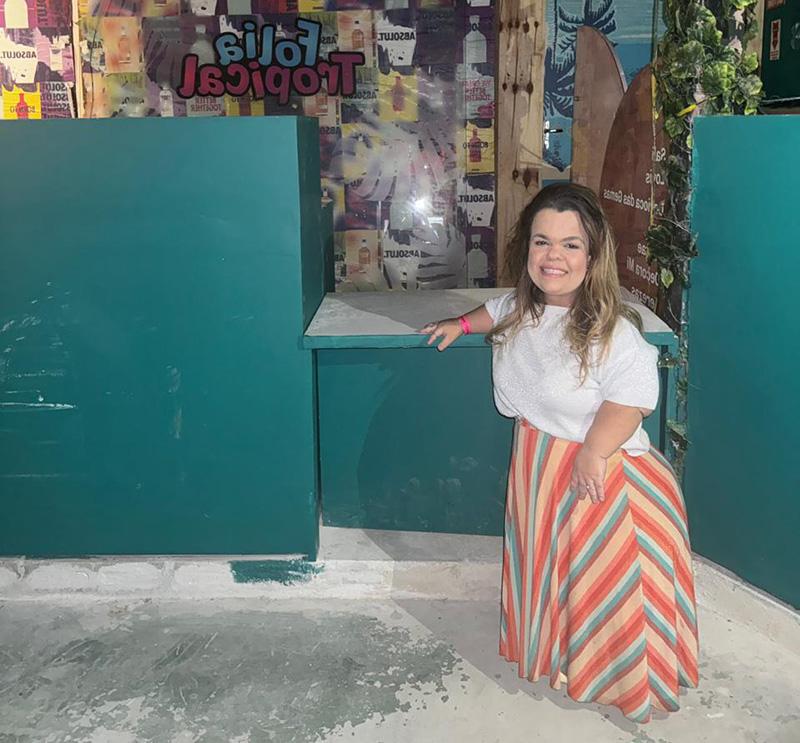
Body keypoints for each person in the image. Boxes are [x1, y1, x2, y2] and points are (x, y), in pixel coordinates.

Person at [419, 183, 699, 723]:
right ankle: (562, 658)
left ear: (593, 257)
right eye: (542, 241)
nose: (553, 256)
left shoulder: (612, 329)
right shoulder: (524, 308)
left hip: (602, 475)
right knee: (554, 576)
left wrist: (593, 453)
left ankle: (623, 682)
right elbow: (494, 309)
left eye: (571, 245)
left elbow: (635, 395)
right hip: (541, 466)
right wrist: (459, 324)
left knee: (607, 589)